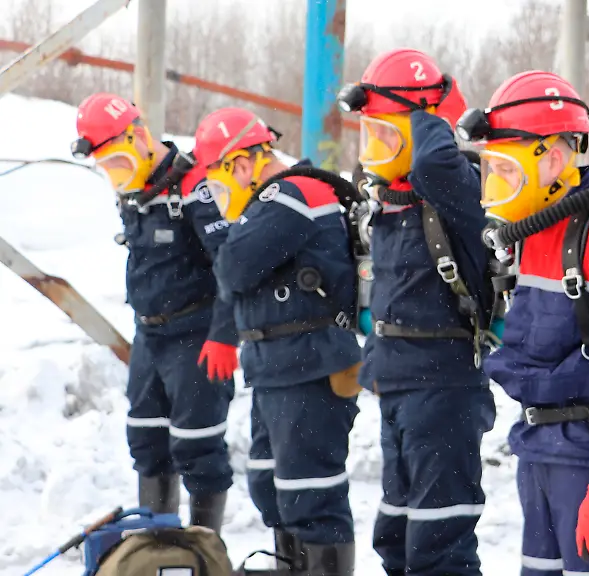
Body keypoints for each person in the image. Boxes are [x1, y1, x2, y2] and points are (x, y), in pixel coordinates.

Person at [457, 70, 589, 576]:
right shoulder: (532, 233)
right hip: (540, 453)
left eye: (505, 170)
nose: (494, 187)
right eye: (490, 170)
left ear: (553, 159)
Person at [338, 48, 496, 576]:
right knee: (396, 537)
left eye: (388, 133)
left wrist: (427, 109)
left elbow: (432, 158)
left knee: (440, 543)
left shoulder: (454, 190)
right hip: (400, 382)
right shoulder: (391, 201)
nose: (374, 150)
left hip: (444, 388)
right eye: (371, 134)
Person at [192, 107, 363, 575]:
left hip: (310, 363)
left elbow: (233, 268)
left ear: (242, 164)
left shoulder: (291, 195)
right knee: (272, 486)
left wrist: (232, 240)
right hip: (279, 364)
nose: (220, 197)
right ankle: (294, 566)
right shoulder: (272, 202)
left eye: (221, 183)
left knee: (311, 494)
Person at [72, 93, 235, 533]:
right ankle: (159, 546)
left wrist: (224, 335)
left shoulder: (195, 186)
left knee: (197, 446)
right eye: (108, 169)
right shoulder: (133, 193)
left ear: (139, 136)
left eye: (121, 163)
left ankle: (204, 548)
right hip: (149, 335)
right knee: (146, 440)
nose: (118, 176)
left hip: (196, 333)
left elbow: (231, 267)